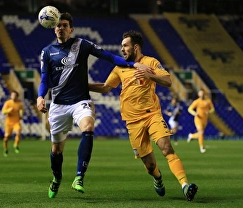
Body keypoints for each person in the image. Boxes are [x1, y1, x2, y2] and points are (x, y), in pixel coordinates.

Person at [36, 13, 148, 198]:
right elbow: (44, 79)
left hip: (81, 100)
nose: (61, 28)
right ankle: (56, 178)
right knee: (56, 149)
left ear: (71, 29)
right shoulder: (47, 52)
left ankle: (79, 176)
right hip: (58, 104)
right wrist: (41, 97)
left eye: (64, 25)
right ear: (53, 28)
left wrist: (134, 65)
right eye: (58, 25)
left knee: (88, 127)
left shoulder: (82, 45)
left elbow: (109, 57)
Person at [89, 30, 198, 201]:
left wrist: (150, 75)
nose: (122, 49)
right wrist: (82, 85)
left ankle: (185, 186)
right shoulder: (120, 68)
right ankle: (157, 178)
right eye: (121, 46)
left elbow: (168, 81)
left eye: (125, 46)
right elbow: (105, 87)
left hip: (152, 115)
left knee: (167, 148)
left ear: (136, 47)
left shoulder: (150, 62)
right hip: (132, 122)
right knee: (150, 165)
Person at [187, 89, 215, 153]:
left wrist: (209, 112)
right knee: (201, 132)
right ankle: (201, 147)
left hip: (205, 119)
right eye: (200, 93)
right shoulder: (196, 101)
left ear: (204, 93)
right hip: (198, 119)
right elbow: (189, 109)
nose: (201, 94)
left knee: (200, 133)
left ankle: (191, 136)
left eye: (202, 93)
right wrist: (195, 113)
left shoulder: (208, 101)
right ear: (198, 94)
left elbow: (213, 109)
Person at [1, 90, 24, 157]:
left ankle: (16, 145)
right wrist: (8, 110)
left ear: (17, 96)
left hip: (16, 122)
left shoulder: (19, 104)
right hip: (8, 123)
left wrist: (21, 115)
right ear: (10, 96)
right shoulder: (7, 103)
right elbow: (3, 112)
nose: (13, 96)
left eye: (14, 95)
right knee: (6, 138)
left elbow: (21, 110)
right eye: (12, 95)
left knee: (18, 132)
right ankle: (6, 149)